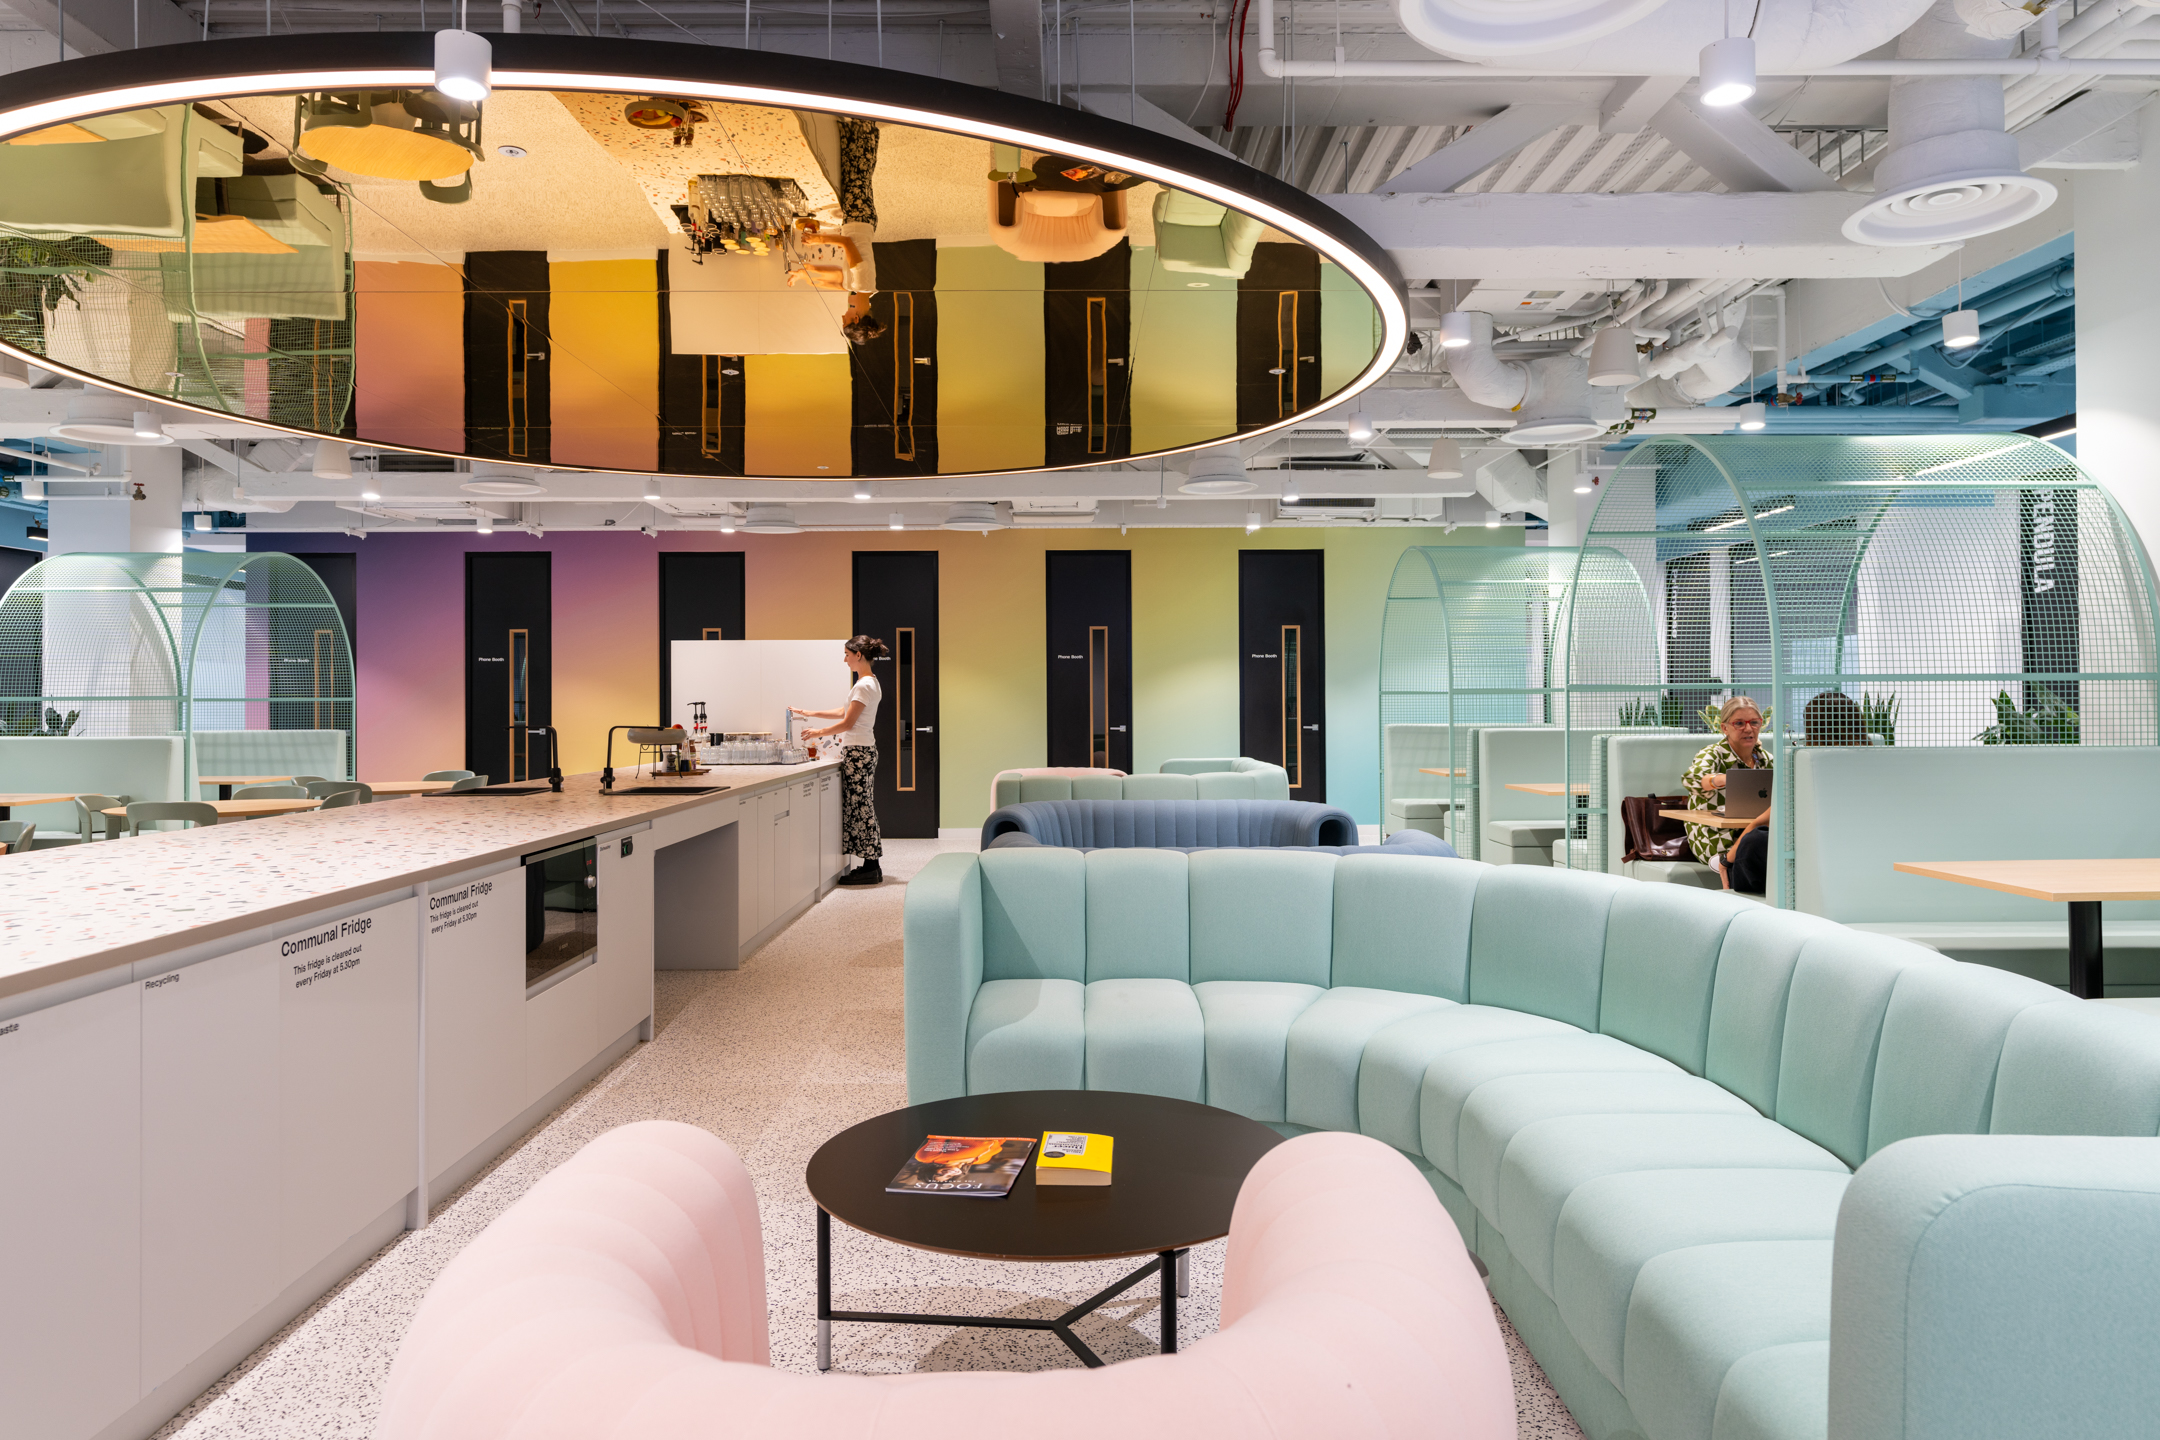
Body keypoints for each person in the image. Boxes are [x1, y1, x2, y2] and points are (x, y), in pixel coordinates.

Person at [792, 636, 887, 886]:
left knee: (861, 808)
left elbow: (847, 723)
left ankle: (871, 867)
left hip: (858, 753)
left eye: (847, 654)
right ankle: (871, 865)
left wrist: (816, 732)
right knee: (862, 806)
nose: (844, 659)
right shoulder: (868, 683)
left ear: (858, 654)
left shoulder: (863, 685)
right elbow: (845, 712)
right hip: (863, 750)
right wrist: (810, 713)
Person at [788, 112, 884, 347]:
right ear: (857, 318)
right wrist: (817, 240)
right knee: (859, 174)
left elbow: (833, 281)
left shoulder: (858, 290)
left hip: (859, 220)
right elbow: (848, 244)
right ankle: (865, 123)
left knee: (852, 174)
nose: (843, 317)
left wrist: (805, 275)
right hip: (859, 217)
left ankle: (854, 128)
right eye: (846, 321)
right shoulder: (862, 285)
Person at [1682, 696, 1771, 893]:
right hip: (1713, 836)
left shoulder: (1764, 759)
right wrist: (1723, 779)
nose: (1748, 729)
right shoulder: (1712, 754)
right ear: (1724, 728)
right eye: (1739, 723)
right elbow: (1693, 779)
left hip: (1751, 831)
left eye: (1754, 723)